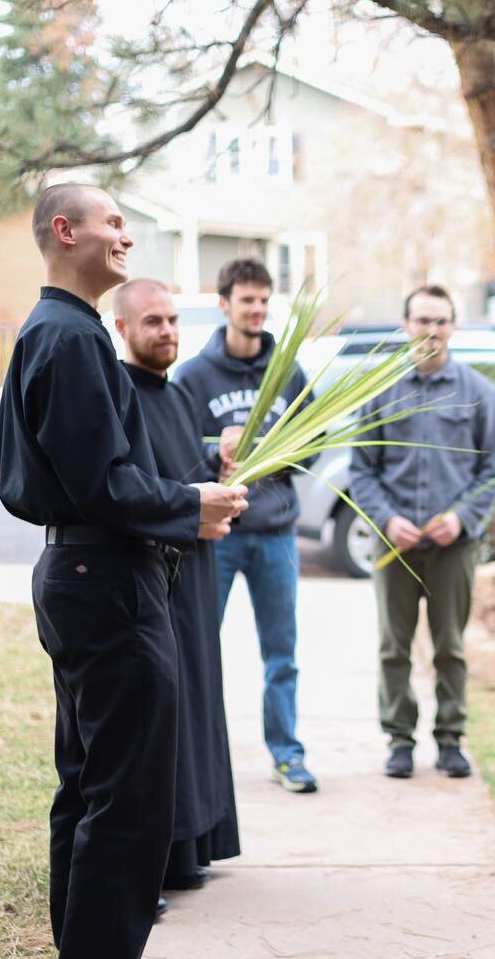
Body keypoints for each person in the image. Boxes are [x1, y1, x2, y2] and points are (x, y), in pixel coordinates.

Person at [0, 183, 246, 958]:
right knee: (127, 799)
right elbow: (103, 482)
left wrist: (181, 492)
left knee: (91, 787)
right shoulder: (67, 339)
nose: (124, 233)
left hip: (83, 576)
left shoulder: (64, 332)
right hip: (104, 585)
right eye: (112, 221)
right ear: (65, 232)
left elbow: (54, 473)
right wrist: (189, 506)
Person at [113, 277, 241, 893]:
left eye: (171, 320)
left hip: (195, 575)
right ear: (123, 329)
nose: (166, 331)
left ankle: (193, 846)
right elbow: (132, 491)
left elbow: (187, 475)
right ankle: (158, 861)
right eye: (152, 322)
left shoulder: (179, 392)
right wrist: (194, 516)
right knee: (161, 717)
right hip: (154, 580)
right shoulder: (121, 395)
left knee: (197, 705)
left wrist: (222, 479)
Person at [349, 284, 495, 779]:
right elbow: (361, 468)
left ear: (453, 327)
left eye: (440, 321)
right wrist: (386, 518)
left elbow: (494, 470)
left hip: (453, 547)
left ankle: (450, 739)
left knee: (450, 647)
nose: (431, 330)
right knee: (393, 646)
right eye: (422, 320)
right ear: (405, 326)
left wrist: (462, 519)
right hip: (393, 543)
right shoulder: (379, 392)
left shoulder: (479, 394)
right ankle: (399, 739)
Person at [174, 257, 318, 795]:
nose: (256, 310)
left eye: (264, 301)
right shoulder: (193, 375)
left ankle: (287, 755)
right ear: (224, 304)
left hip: (277, 533)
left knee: (281, 654)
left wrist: (276, 454)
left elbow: (311, 447)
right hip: (218, 538)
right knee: (200, 650)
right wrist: (218, 455)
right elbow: (177, 457)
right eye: (247, 301)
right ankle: (197, 762)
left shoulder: (289, 372)